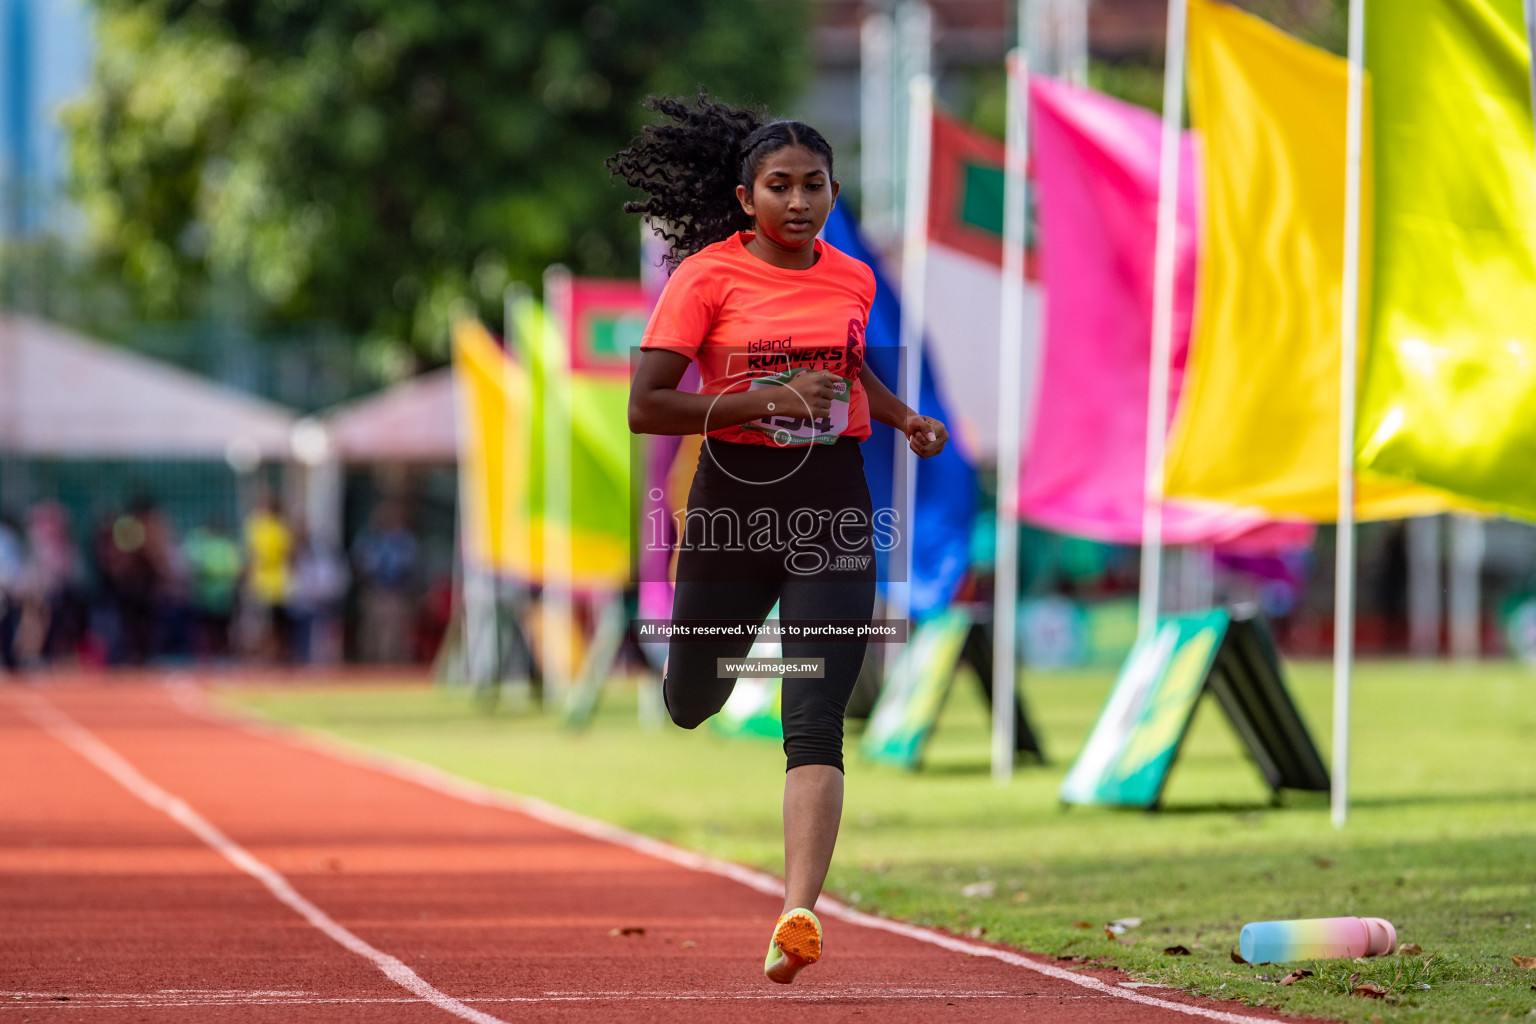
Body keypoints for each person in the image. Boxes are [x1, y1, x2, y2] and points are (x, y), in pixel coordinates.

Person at [610, 95, 948, 984]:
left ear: (834, 192)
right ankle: (729, 663)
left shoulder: (852, 277)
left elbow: (847, 362)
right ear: (747, 195)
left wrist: (902, 415)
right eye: (780, 187)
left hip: (833, 506)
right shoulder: (706, 280)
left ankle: (798, 911)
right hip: (733, 508)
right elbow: (647, 407)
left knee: (815, 720)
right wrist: (761, 399)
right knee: (689, 700)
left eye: (815, 186)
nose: (799, 202)